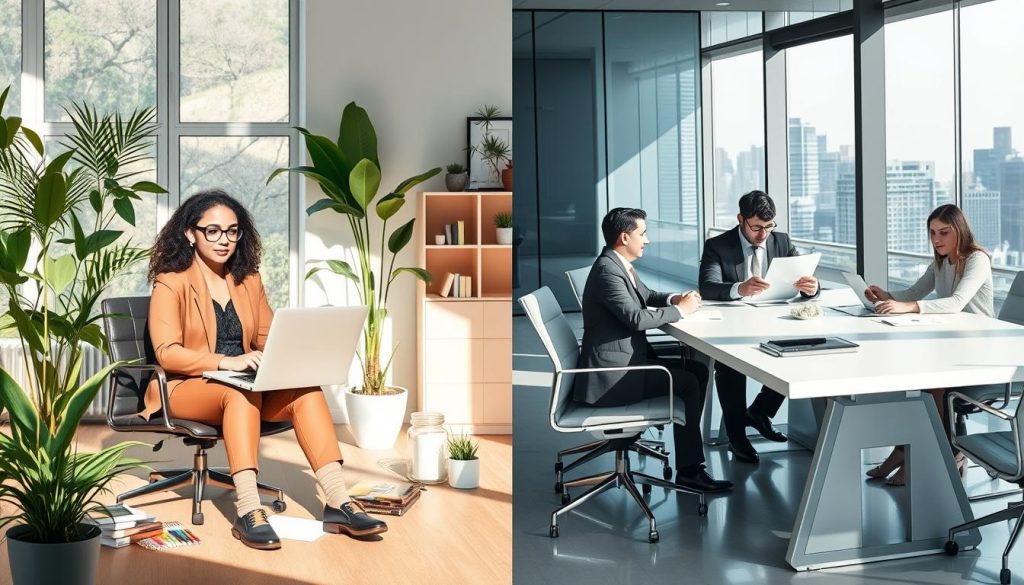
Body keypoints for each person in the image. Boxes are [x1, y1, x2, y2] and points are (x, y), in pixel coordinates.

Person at [144, 189, 386, 550]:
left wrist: (291, 355)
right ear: (189, 233)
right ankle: (249, 510)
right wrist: (227, 362)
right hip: (183, 385)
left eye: (232, 231)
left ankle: (339, 502)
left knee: (305, 391)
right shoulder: (171, 280)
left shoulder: (248, 279)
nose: (223, 240)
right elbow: (167, 352)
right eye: (212, 231)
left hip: (242, 381)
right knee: (237, 395)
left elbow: (267, 336)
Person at [573, 207, 732, 493]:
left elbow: (645, 296)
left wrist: (675, 298)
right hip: (613, 377)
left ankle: (689, 451)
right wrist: (680, 312)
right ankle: (690, 470)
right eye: (642, 234)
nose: (647, 240)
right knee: (690, 382)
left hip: (624, 360)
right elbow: (636, 318)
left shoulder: (616, 264)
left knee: (696, 367)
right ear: (624, 237)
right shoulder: (609, 271)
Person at [863, 203, 994, 486]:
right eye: (933, 233)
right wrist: (883, 295)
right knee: (908, 376)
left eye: (944, 232)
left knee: (932, 384)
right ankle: (904, 450)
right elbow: (912, 293)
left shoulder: (976, 259)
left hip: (981, 352)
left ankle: (938, 454)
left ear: (959, 230)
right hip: (952, 344)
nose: (937, 239)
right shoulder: (940, 262)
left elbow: (957, 303)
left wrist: (907, 307)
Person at [698, 190, 819, 464]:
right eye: (756, 227)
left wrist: (812, 288)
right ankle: (736, 437)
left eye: (768, 226)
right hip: (733, 323)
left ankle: (760, 410)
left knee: (799, 350)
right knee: (729, 366)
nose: (763, 234)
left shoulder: (782, 241)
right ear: (741, 220)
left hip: (774, 319)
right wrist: (739, 288)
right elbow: (707, 286)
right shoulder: (718, 245)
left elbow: (806, 277)